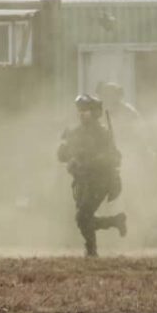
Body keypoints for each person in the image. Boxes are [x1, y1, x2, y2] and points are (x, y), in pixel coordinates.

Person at [57, 94, 125, 257]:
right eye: (80, 110)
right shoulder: (75, 133)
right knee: (83, 219)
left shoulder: (103, 133)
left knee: (82, 217)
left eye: (86, 110)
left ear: (94, 112)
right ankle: (115, 222)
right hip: (83, 181)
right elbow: (62, 156)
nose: (82, 113)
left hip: (101, 181)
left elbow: (115, 157)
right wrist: (65, 152)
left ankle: (91, 250)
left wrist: (91, 161)